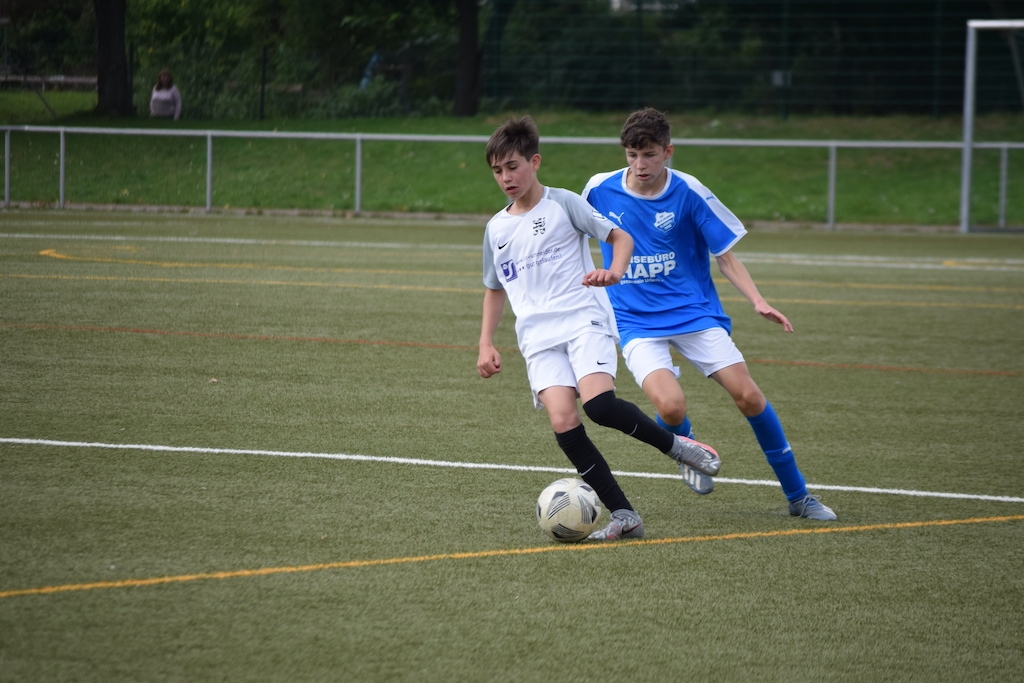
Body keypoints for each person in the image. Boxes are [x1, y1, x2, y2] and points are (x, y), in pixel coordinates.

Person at [582, 108, 836, 521]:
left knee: (749, 396)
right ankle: (689, 450)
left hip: (693, 313)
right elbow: (574, 229)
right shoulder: (599, 189)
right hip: (634, 320)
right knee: (670, 409)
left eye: (649, 155)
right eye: (632, 155)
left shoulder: (689, 191)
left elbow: (726, 257)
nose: (640, 164)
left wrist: (757, 300)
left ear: (668, 151)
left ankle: (799, 496)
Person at [477, 115, 722, 542]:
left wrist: (614, 272)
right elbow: (494, 288)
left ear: (534, 162)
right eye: (498, 171)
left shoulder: (564, 203)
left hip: (582, 320)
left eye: (513, 166)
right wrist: (485, 343)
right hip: (537, 338)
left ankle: (678, 447)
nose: (506, 178)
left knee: (600, 406)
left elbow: (621, 238)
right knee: (562, 420)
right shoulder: (496, 228)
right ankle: (625, 515)